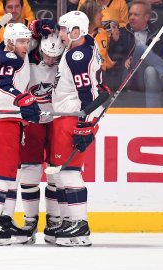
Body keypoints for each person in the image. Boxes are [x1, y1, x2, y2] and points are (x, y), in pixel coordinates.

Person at [0, 22, 41, 246]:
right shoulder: (10, 58)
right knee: (2, 177)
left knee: (12, 176)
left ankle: (3, 220)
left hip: (7, 119)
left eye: (27, 40)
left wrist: (36, 27)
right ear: (11, 42)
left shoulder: (1, 51)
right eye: (22, 41)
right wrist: (21, 98)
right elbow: (5, 83)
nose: (27, 45)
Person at [50, 10, 105, 247]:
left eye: (64, 30)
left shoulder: (77, 56)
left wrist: (85, 125)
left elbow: (88, 94)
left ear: (76, 31)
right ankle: (68, 221)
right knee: (62, 171)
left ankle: (79, 226)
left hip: (73, 117)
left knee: (68, 171)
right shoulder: (83, 49)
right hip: (69, 115)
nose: (60, 34)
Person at [18, 21, 65, 244]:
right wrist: (37, 26)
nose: (49, 60)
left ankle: (54, 221)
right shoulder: (27, 58)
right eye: (46, 55)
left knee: (56, 172)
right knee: (30, 171)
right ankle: (30, 220)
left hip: (57, 121)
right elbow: (26, 35)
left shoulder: (65, 61)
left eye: (53, 57)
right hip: (33, 121)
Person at [108, 0, 163, 107]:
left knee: (151, 71)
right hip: (128, 76)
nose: (131, 17)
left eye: (136, 14)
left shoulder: (159, 34)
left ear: (147, 17)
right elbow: (111, 60)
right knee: (141, 47)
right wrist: (115, 44)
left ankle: (152, 113)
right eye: (130, 14)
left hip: (150, 77)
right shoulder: (121, 33)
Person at [80, 0, 117, 71]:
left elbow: (107, 60)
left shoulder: (103, 33)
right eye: (99, 12)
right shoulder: (78, 38)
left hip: (103, 77)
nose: (102, 15)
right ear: (91, 15)